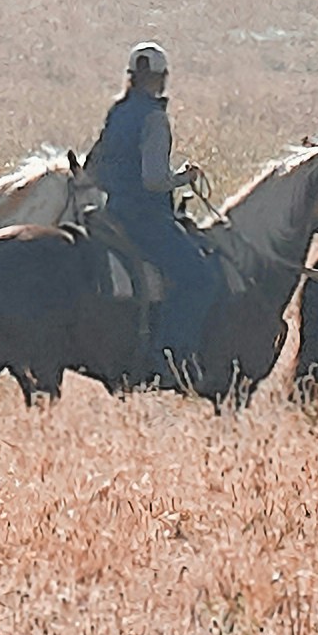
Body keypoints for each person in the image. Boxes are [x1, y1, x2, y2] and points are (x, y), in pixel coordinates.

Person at [89, 41, 221, 381]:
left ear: (132, 76)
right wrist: (185, 178)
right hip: (146, 220)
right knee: (199, 279)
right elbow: (153, 180)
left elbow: (94, 168)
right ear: (162, 78)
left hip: (113, 214)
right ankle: (171, 359)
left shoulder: (117, 112)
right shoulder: (154, 119)